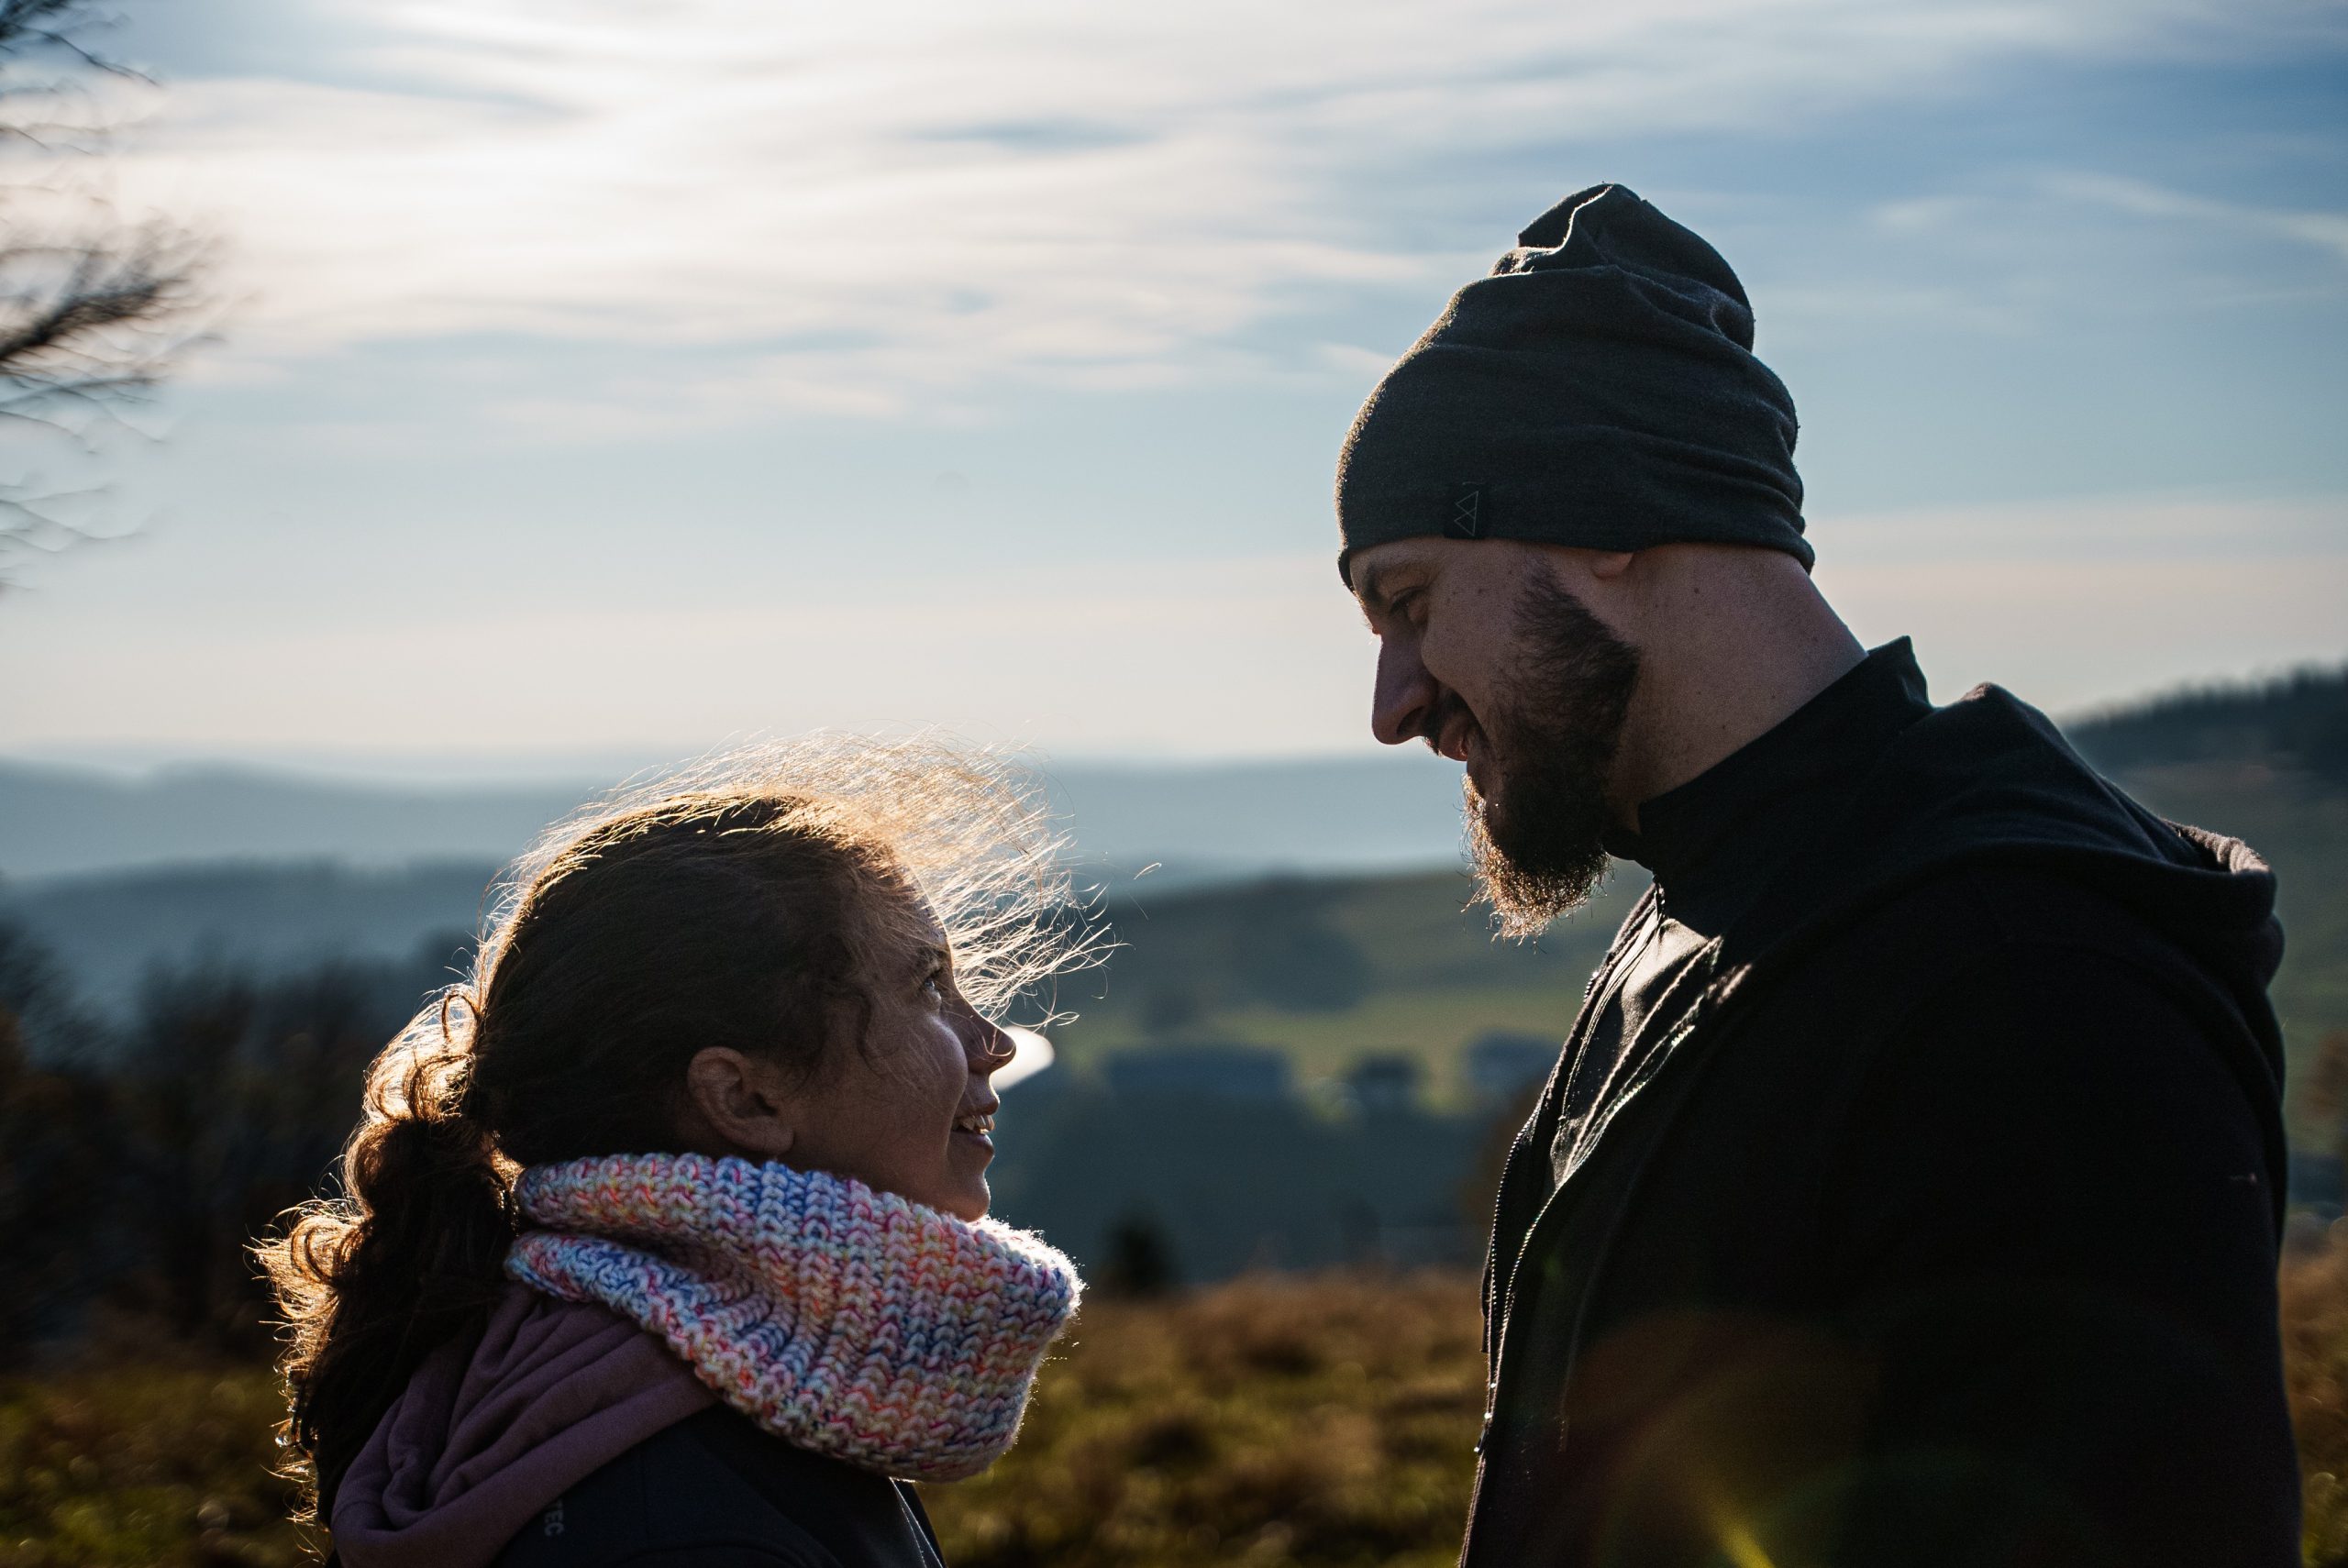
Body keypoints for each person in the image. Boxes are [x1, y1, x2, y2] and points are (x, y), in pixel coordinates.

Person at [1336, 184, 2298, 1566]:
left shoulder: (2025, 991)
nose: (1393, 701)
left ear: (1606, 515)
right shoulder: (1702, 919)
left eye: (1412, 601)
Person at [261, 741, 1091, 1568]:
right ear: (743, 1098)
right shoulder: (691, 1507)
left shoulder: (715, 1372)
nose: (992, 1043)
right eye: (928, 987)